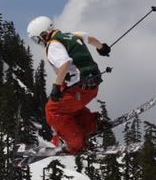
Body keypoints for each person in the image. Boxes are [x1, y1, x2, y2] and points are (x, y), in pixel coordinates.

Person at [27, 16, 111, 154]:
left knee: (53, 111)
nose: (39, 42)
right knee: (67, 106)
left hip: (80, 87)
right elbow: (90, 38)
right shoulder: (71, 35)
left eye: (37, 39)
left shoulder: (52, 45)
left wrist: (55, 87)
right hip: (93, 84)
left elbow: (64, 63)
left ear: (43, 34)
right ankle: (91, 124)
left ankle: (77, 144)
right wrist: (102, 48)